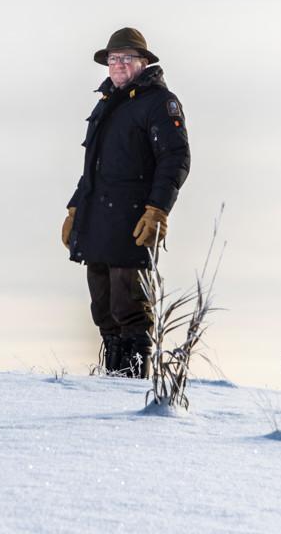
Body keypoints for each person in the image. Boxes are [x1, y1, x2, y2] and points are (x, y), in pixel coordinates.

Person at [61, 27, 191, 378]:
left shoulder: (159, 103)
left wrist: (158, 209)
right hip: (97, 219)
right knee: (102, 306)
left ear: (144, 63)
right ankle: (112, 380)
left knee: (128, 304)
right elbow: (94, 166)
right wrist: (75, 207)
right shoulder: (106, 104)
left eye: (126, 59)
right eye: (112, 59)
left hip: (133, 220)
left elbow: (175, 158)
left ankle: (133, 385)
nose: (117, 65)